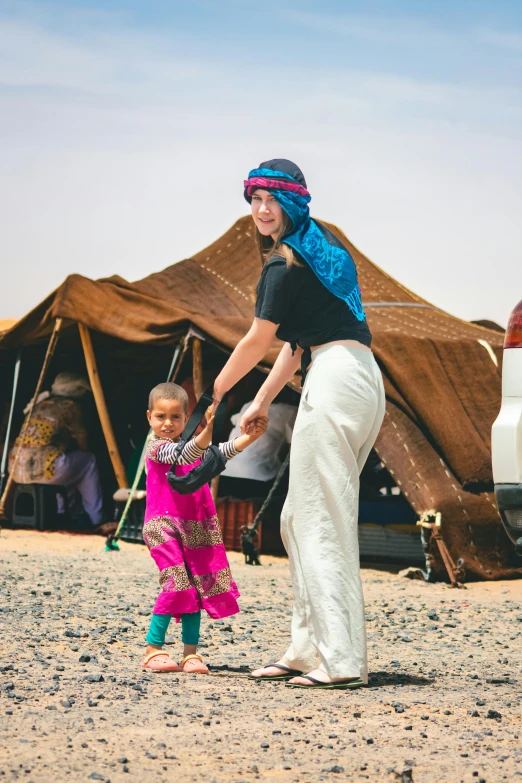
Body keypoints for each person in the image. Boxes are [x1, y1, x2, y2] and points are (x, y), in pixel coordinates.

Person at [211, 159, 385, 689]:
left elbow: (258, 340)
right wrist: (261, 399)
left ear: (295, 201)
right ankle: (308, 650)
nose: (263, 210)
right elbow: (297, 342)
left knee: (318, 519)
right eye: (255, 200)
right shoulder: (319, 245)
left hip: (336, 379)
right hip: (354, 377)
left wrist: (215, 395)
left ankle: (342, 661)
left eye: (273, 200)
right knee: (297, 517)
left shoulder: (284, 263)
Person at [142, 382, 268, 673]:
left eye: (175, 417)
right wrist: (207, 430)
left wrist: (249, 437)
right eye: (160, 416)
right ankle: (152, 649)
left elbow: (219, 453)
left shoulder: (192, 446)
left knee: (197, 588)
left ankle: (190, 654)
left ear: (186, 419)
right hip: (161, 525)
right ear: (149, 417)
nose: (167, 423)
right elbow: (182, 456)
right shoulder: (156, 447)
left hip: (192, 527)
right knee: (177, 583)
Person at [10, 371, 113, 533]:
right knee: (88, 461)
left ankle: (62, 513)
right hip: (44, 470)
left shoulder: (40, 404)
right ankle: (97, 517)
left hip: (17, 469)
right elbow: (83, 445)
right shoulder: (70, 407)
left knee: (69, 466)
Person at [219, 399, 297, 500]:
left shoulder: (250, 404)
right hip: (260, 479)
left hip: (225, 473)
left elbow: (234, 420)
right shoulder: (292, 412)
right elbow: (294, 446)